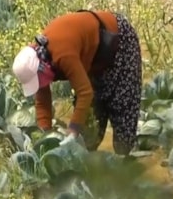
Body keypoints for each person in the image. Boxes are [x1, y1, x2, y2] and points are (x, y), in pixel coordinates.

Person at [11, 9, 143, 156]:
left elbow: (85, 93)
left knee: (122, 105)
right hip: (94, 58)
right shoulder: (38, 60)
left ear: (41, 67)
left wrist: (73, 130)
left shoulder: (62, 54)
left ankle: (126, 163)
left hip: (118, 41)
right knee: (90, 125)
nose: (39, 83)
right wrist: (44, 136)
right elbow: (42, 101)